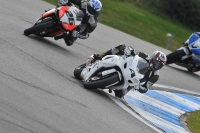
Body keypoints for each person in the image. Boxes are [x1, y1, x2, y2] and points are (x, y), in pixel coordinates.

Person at [87, 43, 167, 98]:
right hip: (129, 68)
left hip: (133, 82)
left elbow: (145, 89)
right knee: (121, 47)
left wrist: (138, 86)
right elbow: (134, 51)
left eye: (159, 64)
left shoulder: (155, 76)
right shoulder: (145, 56)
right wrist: (129, 50)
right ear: (152, 58)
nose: (157, 65)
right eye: (156, 62)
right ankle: (100, 55)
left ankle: (114, 84)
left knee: (120, 94)